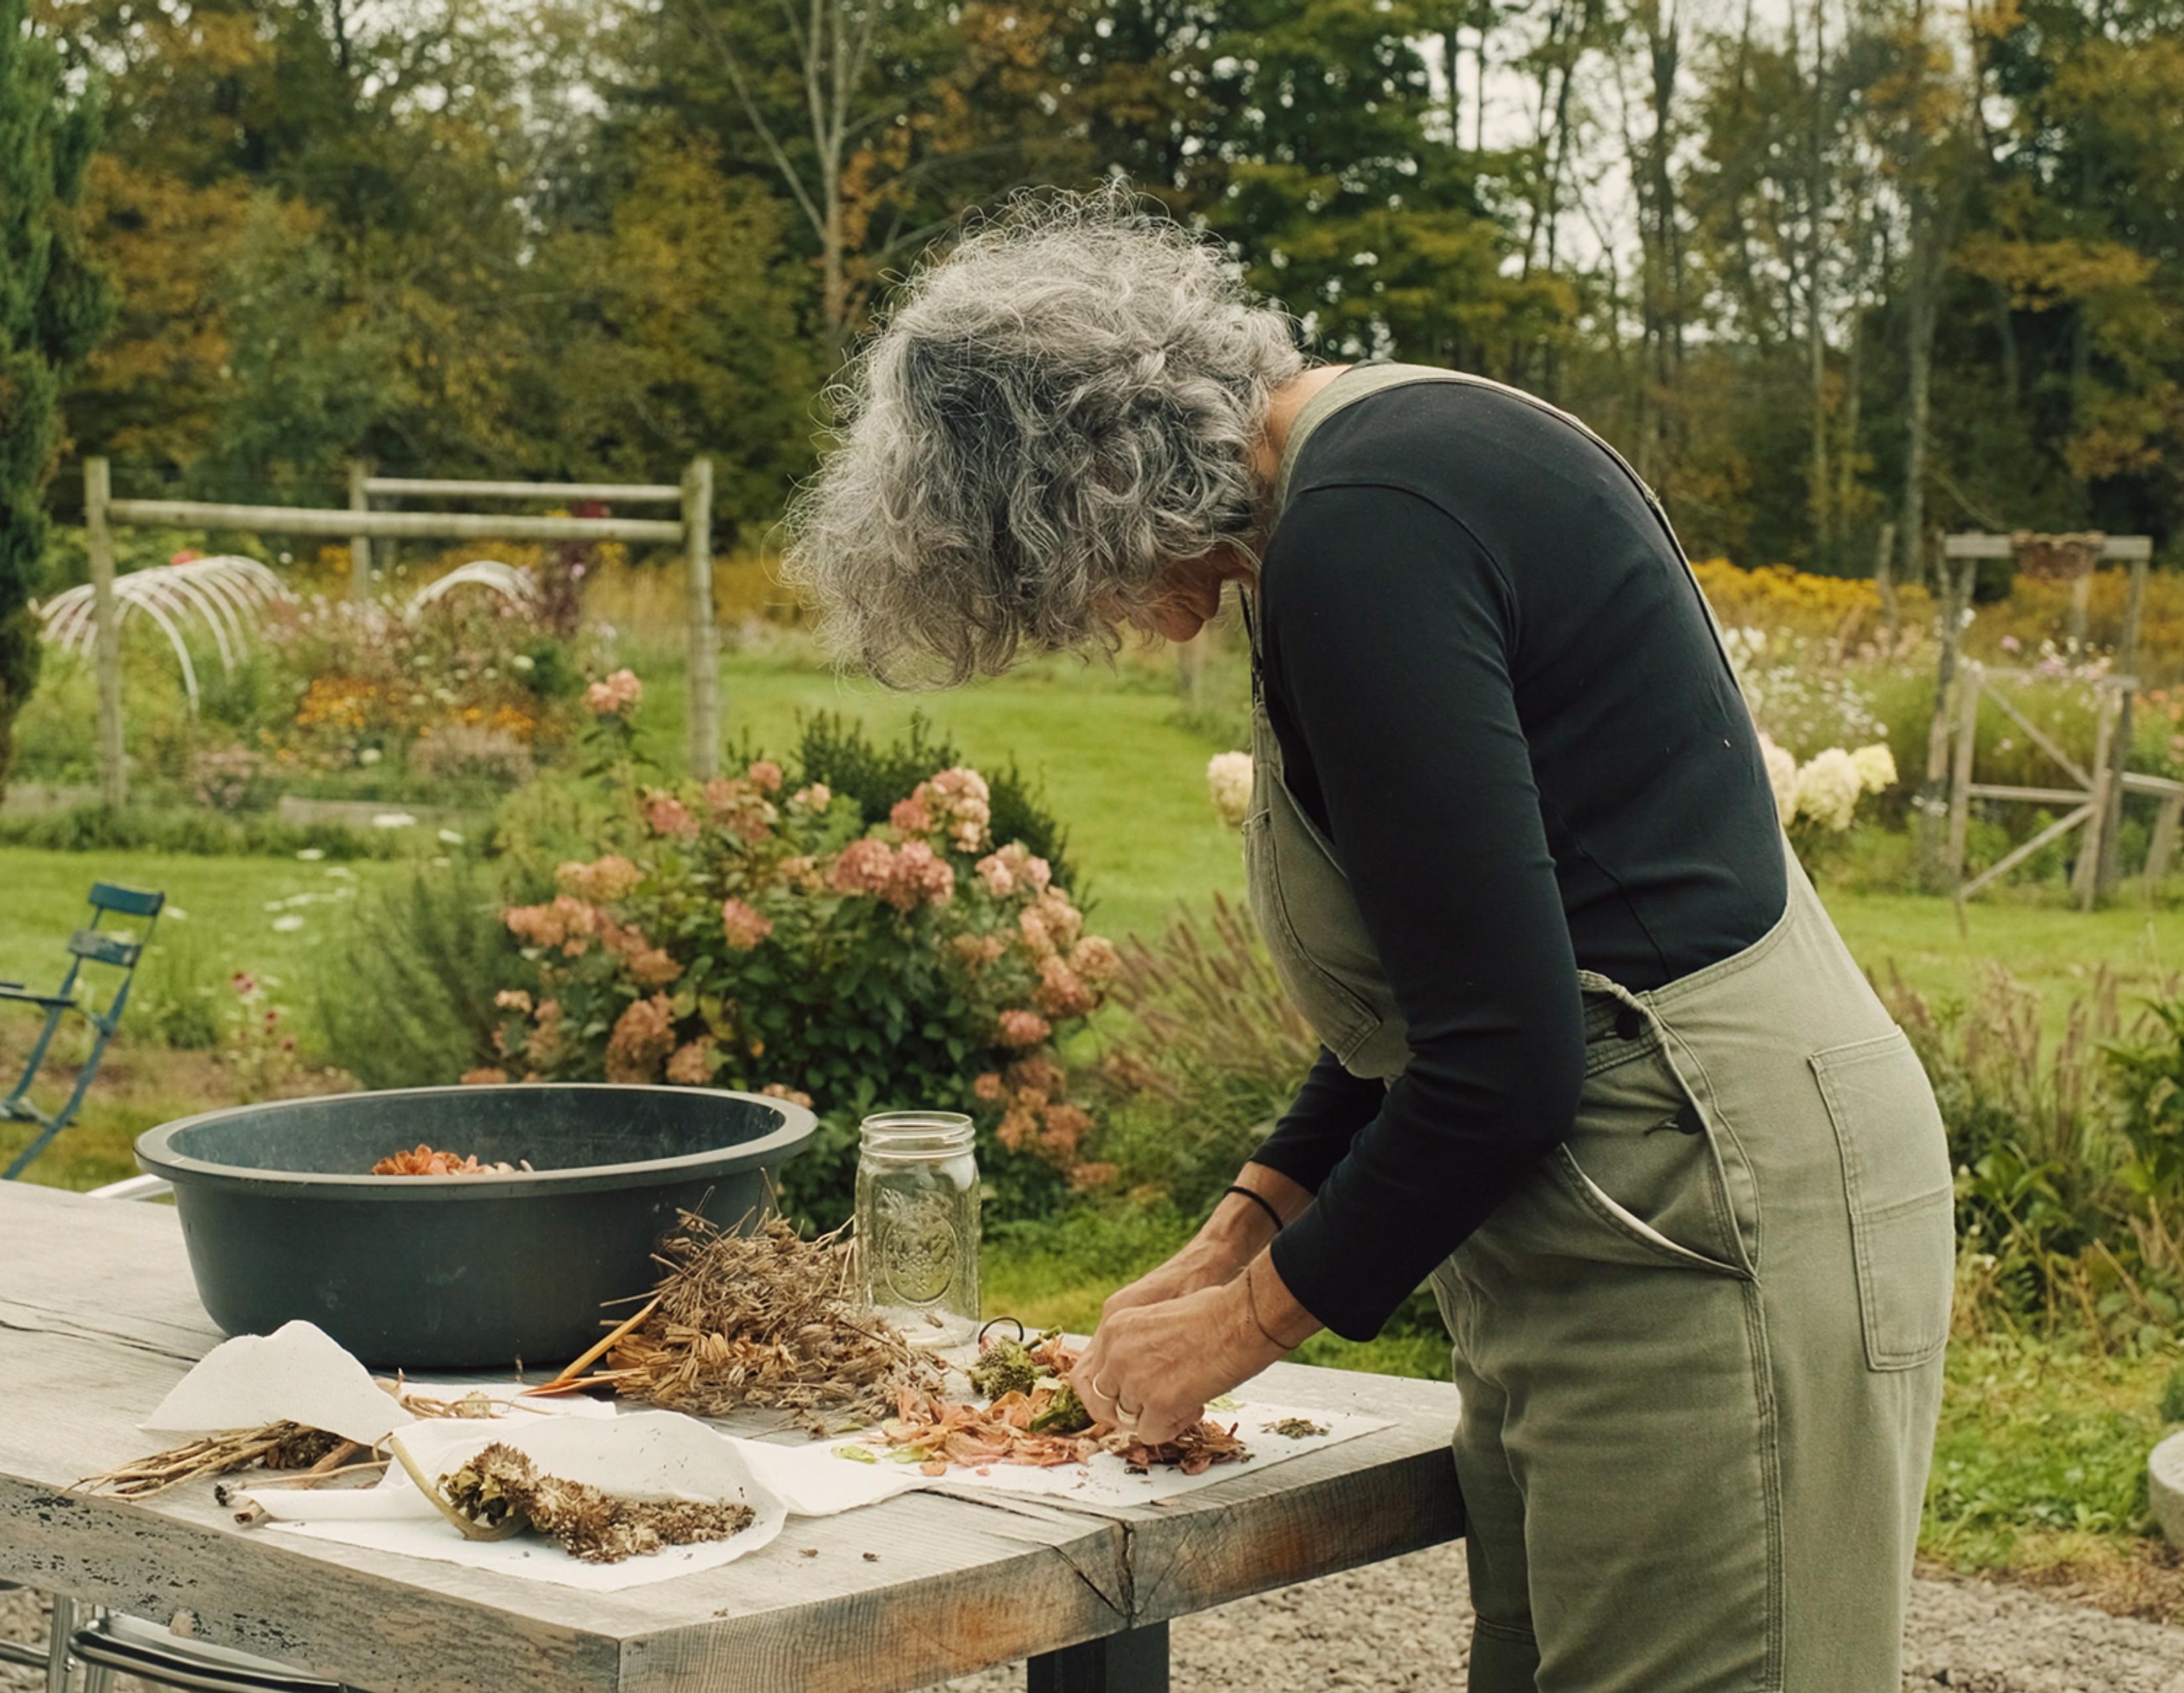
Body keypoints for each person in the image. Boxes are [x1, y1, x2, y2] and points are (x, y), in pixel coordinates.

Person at [782, 190, 1952, 1693]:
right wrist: (1238, 1224)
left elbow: (1504, 1063)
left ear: (1095, 484)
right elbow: (1449, 976)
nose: (1110, 622)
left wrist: (1238, 1333)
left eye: (1064, 581)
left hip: (1714, 1220)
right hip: (1620, 1211)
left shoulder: (1367, 536)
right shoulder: (1352, 481)